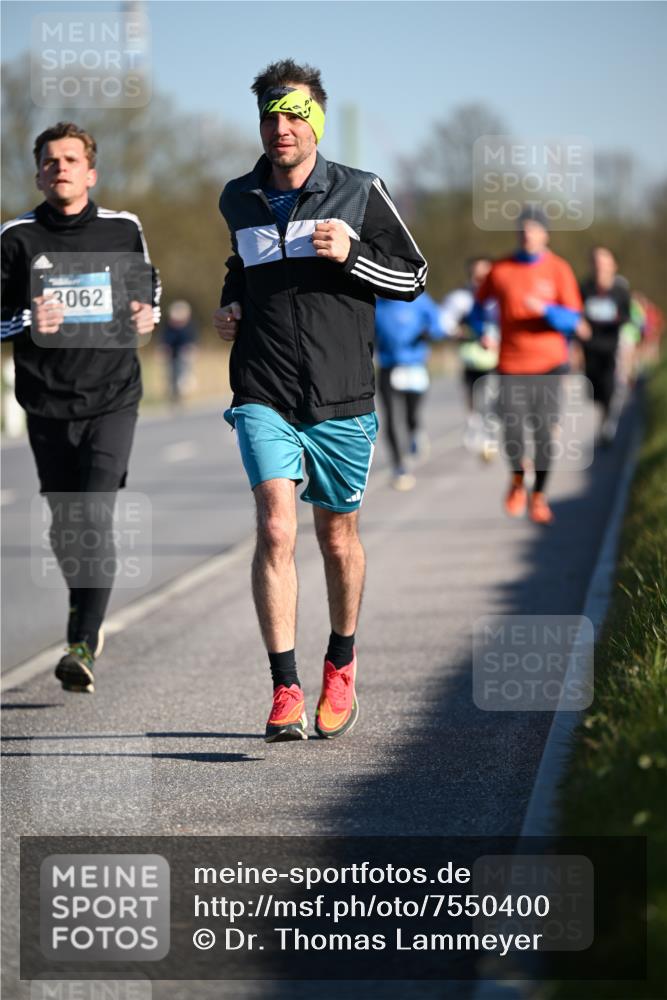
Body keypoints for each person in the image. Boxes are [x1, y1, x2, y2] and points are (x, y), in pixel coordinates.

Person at [213, 59, 427, 742]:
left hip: (341, 394)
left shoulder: (360, 191)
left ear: (317, 122)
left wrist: (352, 255)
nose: (281, 127)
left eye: (294, 115)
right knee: (276, 527)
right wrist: (230, 303)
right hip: (263, 387)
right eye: (270, 116)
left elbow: (414, 277)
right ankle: (284, 688)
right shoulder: (238, 197)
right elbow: (240, 265)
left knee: (336, 537)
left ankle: (340, 661)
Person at [1, 121, 160, 692]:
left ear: (90, 173)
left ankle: (83, 642)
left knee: (92, 514)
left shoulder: (123, 228)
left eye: (71, 160)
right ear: (38, 176)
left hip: (113, 395)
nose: (60, 167)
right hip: (46, 401)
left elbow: (149, 290)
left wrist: (146, 313)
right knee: (66, 527)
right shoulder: (15, 237)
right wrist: (26, 319)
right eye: (50, 161)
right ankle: (82, 610)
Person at [475, 206, 587, 525]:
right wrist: (484, 331)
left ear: (545, 235)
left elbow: (574, 319)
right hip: (510, 365)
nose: (527, 235)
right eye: (523, 229)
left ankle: (538, 496)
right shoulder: (500, 269)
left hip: (549, 365)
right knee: (512, 431)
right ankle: (517, 479)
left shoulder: (559, 269)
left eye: (534, 229)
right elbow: (478, 308)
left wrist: (546, 310)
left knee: (544, 434)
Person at [374, 292, 443, 490]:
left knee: (411, 415)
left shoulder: (419, 299)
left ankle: (415, 431)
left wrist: (428, 332)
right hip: (388, 368)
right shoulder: (377, 305)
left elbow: (438, 326)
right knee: (391, 418)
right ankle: (399, 467)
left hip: (415, 367)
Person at [440, 256, 500, 460]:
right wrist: (461, 333)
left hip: (498, 355)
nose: (481, 277)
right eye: (477, 273)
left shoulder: (500, 295)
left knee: (494, 395)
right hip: (473, 355)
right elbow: (445, 322)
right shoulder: (461, 298)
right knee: (472, 393)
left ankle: (490, 433)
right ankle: (473, 424)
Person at [578, 247, 631, 445]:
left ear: (613, 266)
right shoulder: (584, 289)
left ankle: (608, 423)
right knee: (594, 391)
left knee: (609, 387)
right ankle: (604, 412)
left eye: (604, 264)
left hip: (611, 347)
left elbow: (627, 317)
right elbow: (576, 312)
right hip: (590, 347)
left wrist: (616, 319)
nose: (600, 268)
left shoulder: (620, 292)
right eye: (596, 263)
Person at [160, 299, 198, 404]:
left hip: (184, 354)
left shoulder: (189, 327)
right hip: (172, 354)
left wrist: (191, 349)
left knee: (183, 374)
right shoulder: (168, 327)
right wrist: (164, 348)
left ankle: (183, 391)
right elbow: (165, 339)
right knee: (171, 374)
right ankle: (174, 394)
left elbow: (192, 340)